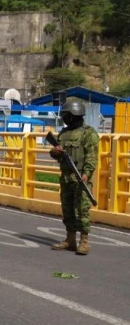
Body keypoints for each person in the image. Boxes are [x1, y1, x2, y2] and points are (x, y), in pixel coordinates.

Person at [49, 99, 99, 255]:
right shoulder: (63, 133)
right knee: (68, 209)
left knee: (82, 210)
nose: (64, 118)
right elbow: (56, 154)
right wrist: (55, 152)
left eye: (66, 115)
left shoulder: (88, 133)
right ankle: (70, 239)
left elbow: (91, 157)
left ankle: (84, 241)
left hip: (80, 178)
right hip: (66, 178)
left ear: (73, 115)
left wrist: (86, 174)